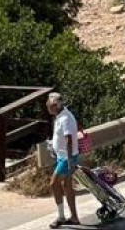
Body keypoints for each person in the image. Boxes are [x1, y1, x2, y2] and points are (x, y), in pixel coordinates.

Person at [46, 92, 82, 228]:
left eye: (51, 106)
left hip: (66, 158)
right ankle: (74, 217)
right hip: (64, 156)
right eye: (48, 105)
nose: (49, 108)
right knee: (67, 186)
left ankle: (61, 216)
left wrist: (69, 161)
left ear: (57, 105)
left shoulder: (65, 118)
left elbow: (69, 139)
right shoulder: (61, 115)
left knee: (54, 184)